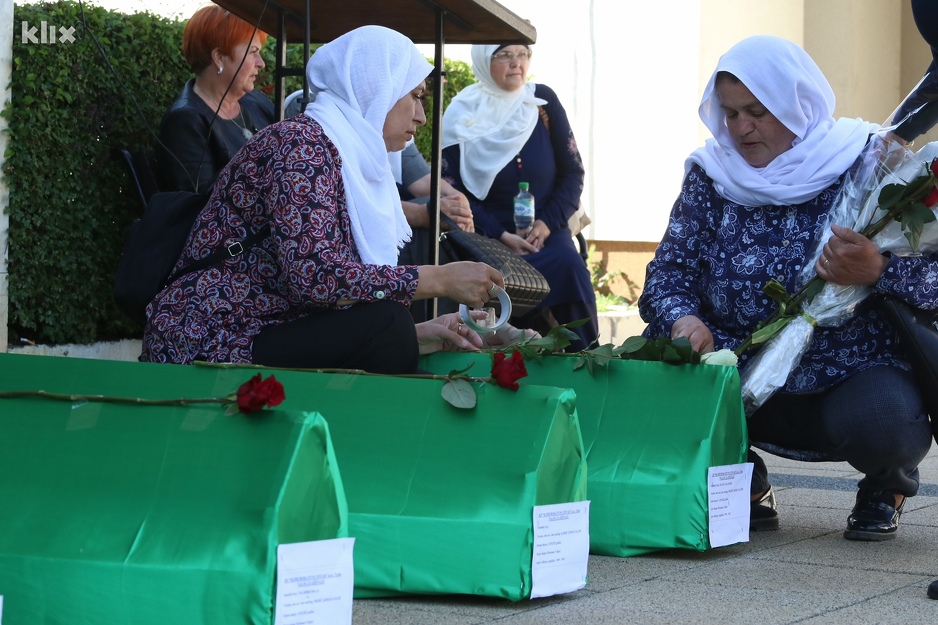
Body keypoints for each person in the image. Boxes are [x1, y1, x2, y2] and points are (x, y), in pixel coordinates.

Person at [638, 36, 936, 541]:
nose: (741, 128)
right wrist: (682, 319)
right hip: (737, 361)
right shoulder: (713, 174)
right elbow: (668, 272)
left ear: (798, 106)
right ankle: (743, 476)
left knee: (886, 424)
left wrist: (878, 269)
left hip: (849, 370)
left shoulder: (868, 161)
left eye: (757, 111)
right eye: (730, 113)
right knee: (645, 374)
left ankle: (887, 483)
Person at [141, 25, 511, 374]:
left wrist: (420, 332)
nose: (421, 116)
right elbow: (314, 277)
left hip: (264, 326)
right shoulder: (302, 146)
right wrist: (440, 279)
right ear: (375, 88)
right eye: (414, 96)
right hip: (208, 335)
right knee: (388, 324)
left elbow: (330, 289)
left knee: (392, 326)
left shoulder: (349, 154)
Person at [441, 44, 598, 351]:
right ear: (485, 60)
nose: (516, 63)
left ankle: (589, 357)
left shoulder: (542, 102)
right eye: (504, 55)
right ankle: (514, 357)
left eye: (522, 54)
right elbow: (452, 191)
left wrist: (546, 223)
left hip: (546, 231)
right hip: (488, 237)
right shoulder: (462, 112)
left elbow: (573, 173)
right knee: (490, 281)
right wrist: (500, 234)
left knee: (568, 262)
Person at [156, 5, 275, 194]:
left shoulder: (257, 102)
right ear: (219, 57)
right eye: (253, 52)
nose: (261, 63)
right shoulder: (185, 122)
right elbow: (198, 207)